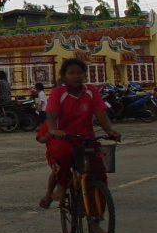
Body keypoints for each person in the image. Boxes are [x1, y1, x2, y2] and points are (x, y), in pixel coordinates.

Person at [37, 58, 120, 209]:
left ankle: (96, 216)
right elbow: (51, 116)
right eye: (71, 73)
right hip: (63, 138)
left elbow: (101, 114)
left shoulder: (90, 91)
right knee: (64, 156)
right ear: (64, 75)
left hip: (85, 138)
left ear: (84, 75)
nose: (76, 76)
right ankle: (60, 187)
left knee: (99, 172)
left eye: (80, 73)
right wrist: (54, 130)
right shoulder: (58, 93)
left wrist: (110, 130)